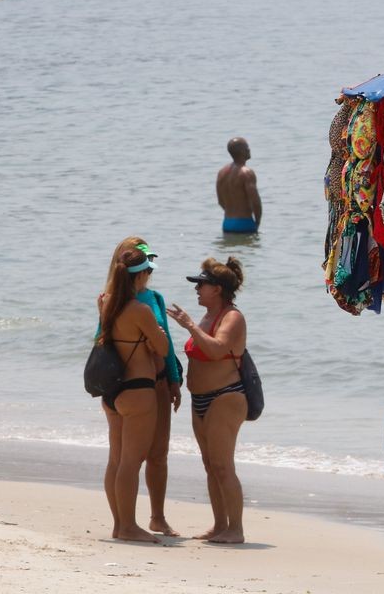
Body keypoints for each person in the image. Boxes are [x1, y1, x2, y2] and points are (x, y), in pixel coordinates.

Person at [98, 237, 182, 536]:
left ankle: (141, 520)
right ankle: (126, 524)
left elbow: (104, 339)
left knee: (142, 456)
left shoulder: (111, 301)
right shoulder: (132, 305)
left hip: (126, 387)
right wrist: (149, 337)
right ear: (140, 272)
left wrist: (173, 379)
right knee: (127, 460)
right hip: (138, 385)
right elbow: (164, 345)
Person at [167, 257, 249, 544]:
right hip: (200, 398)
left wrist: (190, 326)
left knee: (223, 465)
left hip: (225, 397)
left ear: (217, 288)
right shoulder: (207, 316)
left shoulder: (232, 317)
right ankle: (219, 525)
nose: (197, 289)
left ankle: (236, 529)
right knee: (209, 465)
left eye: (201, 285)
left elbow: (216, 350)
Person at [217, 137, 262, 233]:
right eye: (247, 147)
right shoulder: (247, 173)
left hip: (227, 223)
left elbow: (220, 201)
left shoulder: (221, 173)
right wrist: (257, 223)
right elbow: (256, 202)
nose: (249, 149)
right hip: (244, 223)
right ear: (241, 151)